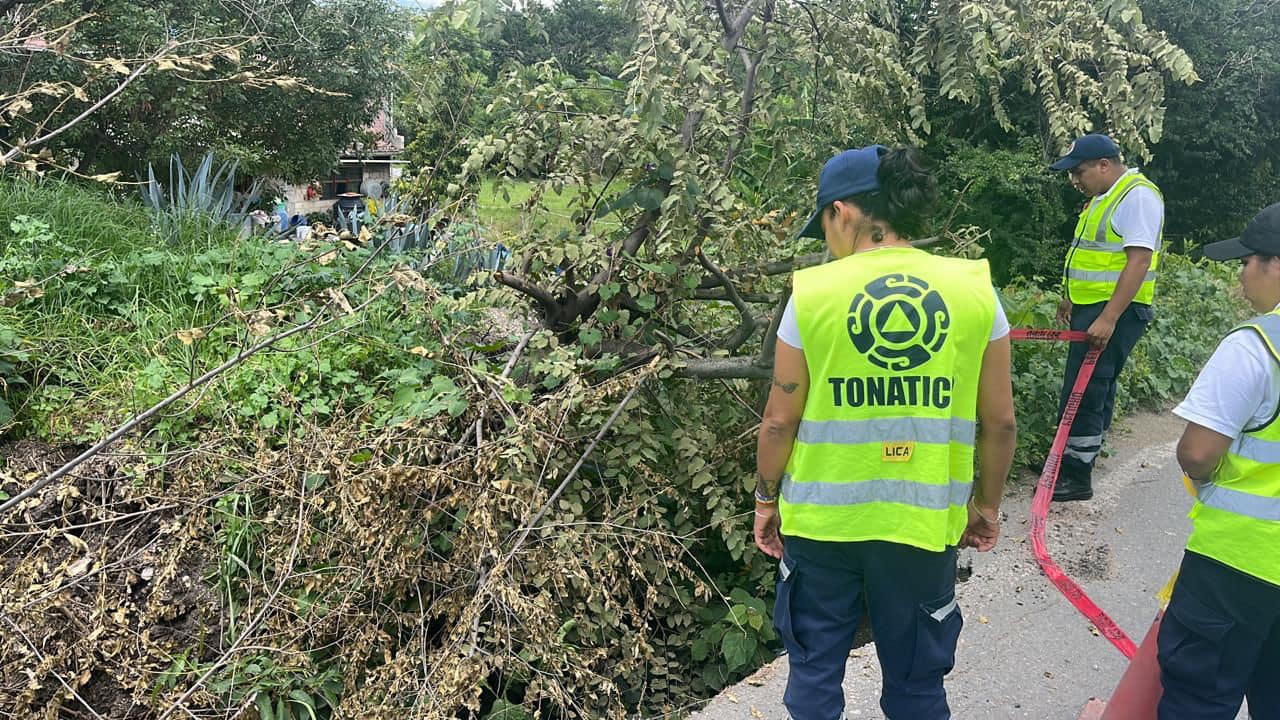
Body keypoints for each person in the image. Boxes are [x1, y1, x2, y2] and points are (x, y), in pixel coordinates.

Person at [753, 145, 1018, 720]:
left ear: (843, 212)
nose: (825, 241)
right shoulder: (974, 289)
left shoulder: (815, 294)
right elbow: (1000, 422)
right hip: (921, 526)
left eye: (823, 224)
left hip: (823, 525)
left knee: (815, 673)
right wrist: (988, 507)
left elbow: (779, 420)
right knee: (918, 685)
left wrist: (764, 500)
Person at [1157, 202, 1280, 719]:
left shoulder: (1256, 345)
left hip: (1239, 563)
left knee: (1198, 698)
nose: (1242, 274)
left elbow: (1198, 452)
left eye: (1248, 260)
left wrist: (1202, 475)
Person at [1047, 133, 1164, 501]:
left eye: (1079, 172)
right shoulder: (1104, 197)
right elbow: (1089, 255)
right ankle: (1074, 459)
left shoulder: (1137, 196)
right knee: (1092, 385)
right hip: (1094, 306)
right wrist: (1071, 299)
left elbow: (1139, 260)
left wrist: (1110, 317)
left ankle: (1076, 476)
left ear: (1104, 164)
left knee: (1086, 390)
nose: (1074, 180)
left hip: (1117, 308)